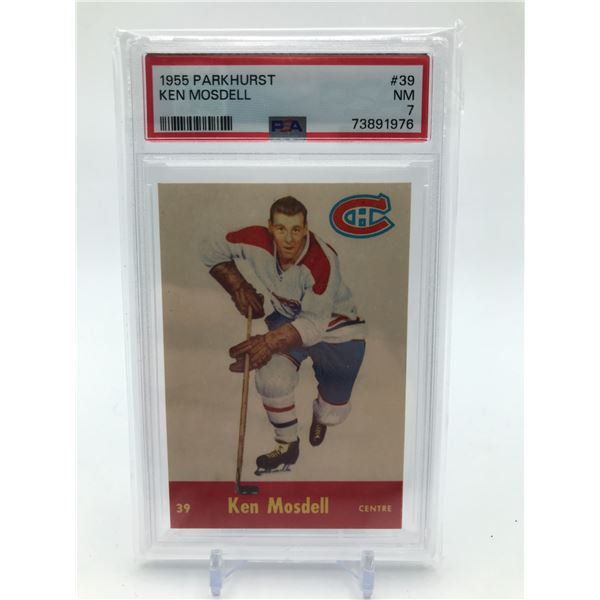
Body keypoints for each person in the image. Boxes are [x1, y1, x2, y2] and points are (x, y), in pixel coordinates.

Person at [201, 196, 366, 473]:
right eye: (281, 229)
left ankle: (322, 417)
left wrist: (268, 342)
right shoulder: (256, 240)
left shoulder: (321, 261)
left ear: (306, 229)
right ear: (270, 227)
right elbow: (209, 248)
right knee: (271, 379)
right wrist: (237, 286)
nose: (288, 239)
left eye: (296, 230)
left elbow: (314, 325)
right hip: (290, 321)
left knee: (333, 414)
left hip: (337, 332)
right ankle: (287, 444)